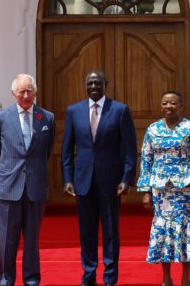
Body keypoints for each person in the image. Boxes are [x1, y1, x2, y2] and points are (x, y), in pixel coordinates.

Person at [61, 70, 137, 286]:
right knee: (87, 232)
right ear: (86, 85)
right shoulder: (74, 111)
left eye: (98, 83)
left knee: (111, 232)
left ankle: (110, 277)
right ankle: (89, 275)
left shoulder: (120, 110)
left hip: (111, 182)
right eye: (90, 83)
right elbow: (67, 148)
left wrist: (127, 178)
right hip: (82, 181)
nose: (94, 87)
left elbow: (129, 149)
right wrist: (67, 178)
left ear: (106, 84)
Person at [137, 90, 190, 286]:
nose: (168, 107)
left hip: (184, 190)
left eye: (173, 103)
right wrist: (146, 192)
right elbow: (146, 160)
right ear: (161, 106)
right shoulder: (152, 130)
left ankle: (186, 278)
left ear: (181, 106)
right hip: (160, 192)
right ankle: (166, 278)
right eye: (165, 103)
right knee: (164, 233)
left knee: (184, 231)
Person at [0, 74, 55, 286]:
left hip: (35, 188)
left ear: (35, 92)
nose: (26, 95)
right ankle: (6, 280)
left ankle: (31, 280)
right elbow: (0, 149)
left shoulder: (47, 118)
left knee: (32, 241)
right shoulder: (2, 118)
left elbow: (47, 150)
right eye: (22, 91)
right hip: (10, 187)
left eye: (30, 91)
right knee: (7, 241)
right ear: (13, 93)